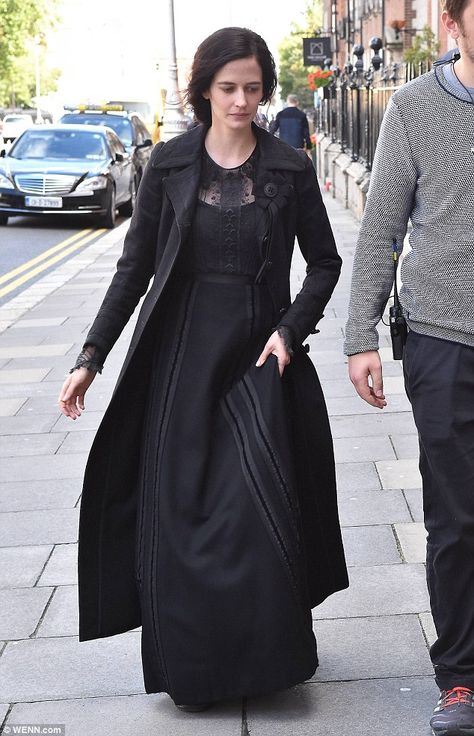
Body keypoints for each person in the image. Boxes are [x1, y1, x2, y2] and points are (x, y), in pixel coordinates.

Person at [58, 26, 348, 712]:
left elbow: (326, 263)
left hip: (257, 359)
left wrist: (289, 330)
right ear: (204, 90)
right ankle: (192, 671)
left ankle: (268, 664)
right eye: (228, 88)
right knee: (182, 515)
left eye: (253, 88)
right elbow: (135, 270)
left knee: (256, 510)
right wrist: (90, 358)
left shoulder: (289, 167)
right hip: (183, 358)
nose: (242, 100)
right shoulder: (169, 165)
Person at [343, 1, 474, 734]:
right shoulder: (413, 109)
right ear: (453, 24)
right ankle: (460, 679)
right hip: (442, 339)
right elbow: (383, 225)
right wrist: (359, 333)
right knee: (457, 520)